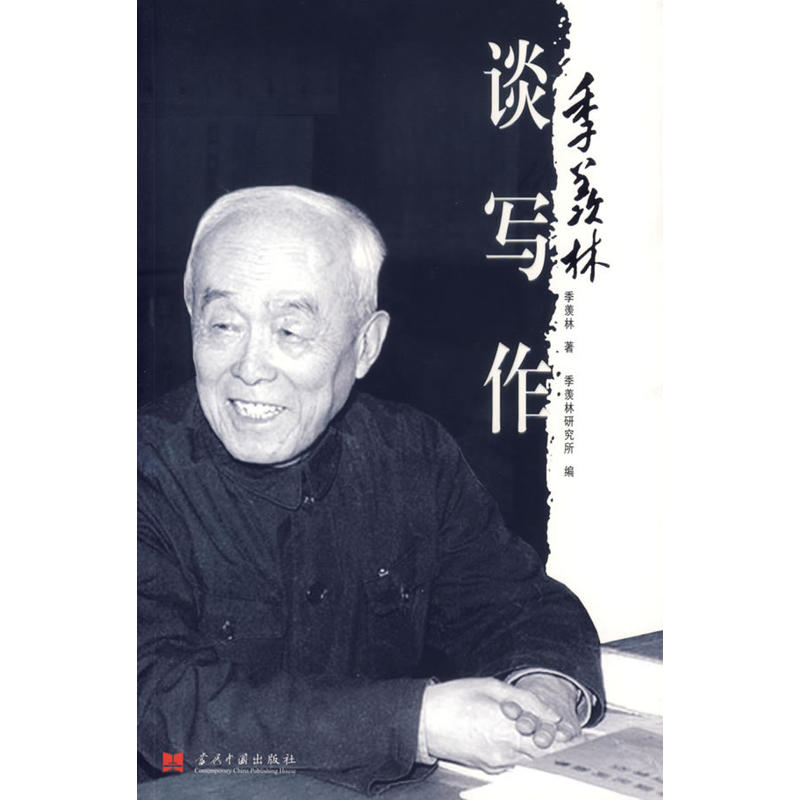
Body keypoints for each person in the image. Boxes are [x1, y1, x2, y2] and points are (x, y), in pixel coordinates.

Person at [138, 186, 605, 794]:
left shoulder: (410, 454)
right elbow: (158, 701)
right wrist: (416, 723)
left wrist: (543, 689)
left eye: (290, 331)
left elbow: (515, 603)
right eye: (223, 325)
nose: (250, 367)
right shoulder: (138, 472)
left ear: (365, 346)